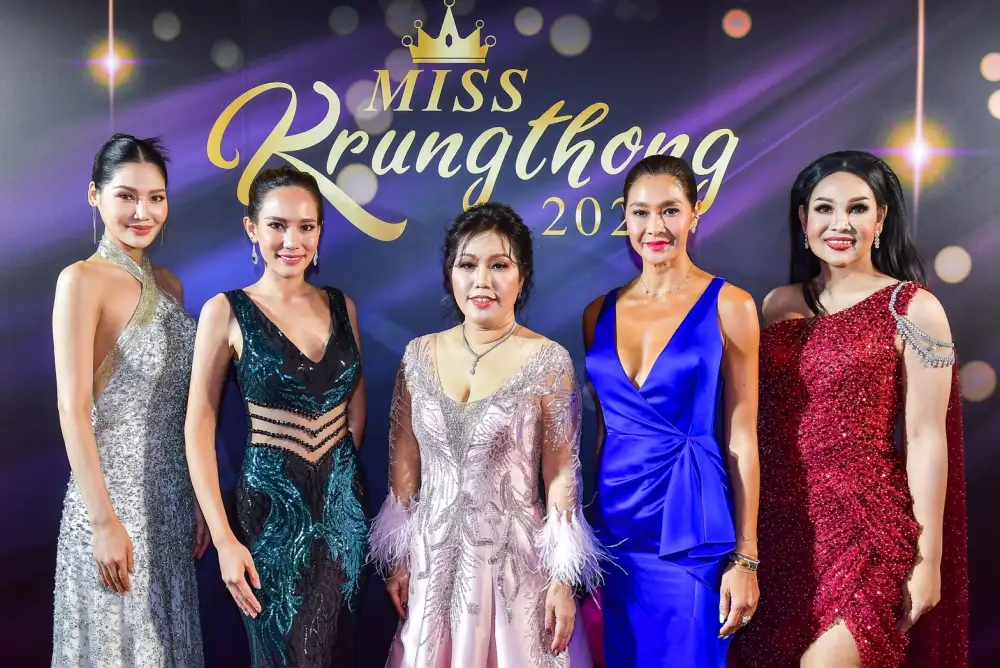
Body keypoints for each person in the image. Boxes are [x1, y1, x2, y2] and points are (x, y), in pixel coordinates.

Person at [734, 150, 969, 668]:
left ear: (881, 218)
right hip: (780, 530)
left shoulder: (913, 307)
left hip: (867, 528)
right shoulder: (775, 305)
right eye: (824, 209)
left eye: (857, 208)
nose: (839, 224)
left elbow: (927, 437)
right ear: (803, 219)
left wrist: (928, 559)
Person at [369, 202, 601, 667]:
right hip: (432, 566)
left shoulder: (548, 361)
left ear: (523, 275)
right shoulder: (417, 356)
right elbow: (404, 460)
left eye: (499, 265)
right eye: (468, 265)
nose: (482, 281)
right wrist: (398, 557)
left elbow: (561, 472)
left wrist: (562, 579)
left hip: (515, 569)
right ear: (449, 274)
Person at [184, 166, 369, 667]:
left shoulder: (342, 307)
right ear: (252, 229)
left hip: (343, 518)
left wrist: (334, 477)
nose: (292, 241)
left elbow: (355, 410)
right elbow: (199, 426)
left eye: (306, 226)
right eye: (277, 225)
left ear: (320, 231)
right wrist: (224, 538)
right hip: (267, 518)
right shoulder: (226, 311)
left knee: (337, 652)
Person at [582, 155, 761, 667]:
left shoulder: (731, 305)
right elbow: (604, 432)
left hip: (691, 528)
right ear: (625, 218)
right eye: (640, 212)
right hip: (615, 531)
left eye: (669, 210)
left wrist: (746, 557)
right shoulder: (597, 312)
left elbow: (742, 436)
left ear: (694, 214)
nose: (654, 227)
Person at [52, 133, 207, 667]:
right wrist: (103, 523)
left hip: (170, 510)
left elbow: (186, 407)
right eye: (126, 196)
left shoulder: (170, 286)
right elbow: (72, 409)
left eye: (156, 197)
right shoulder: (81, 280)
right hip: (109, 508)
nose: (143, 212)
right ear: (94, 195)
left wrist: (196, 498)